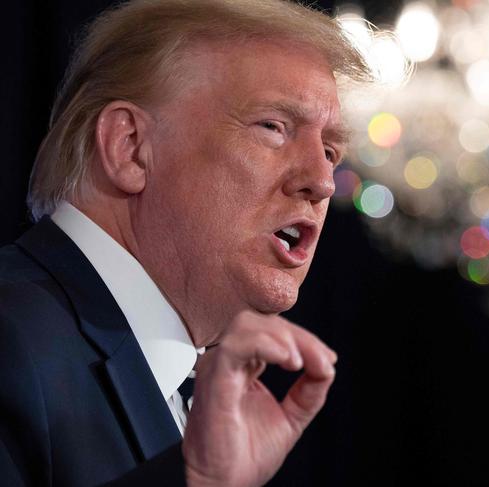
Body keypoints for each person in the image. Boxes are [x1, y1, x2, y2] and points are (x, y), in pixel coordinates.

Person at [0, 0, 371, 485]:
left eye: (329, 151)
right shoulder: (12, 333)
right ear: (130, 147)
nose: (323, 182)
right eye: (273, 127)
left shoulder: (189, 392)